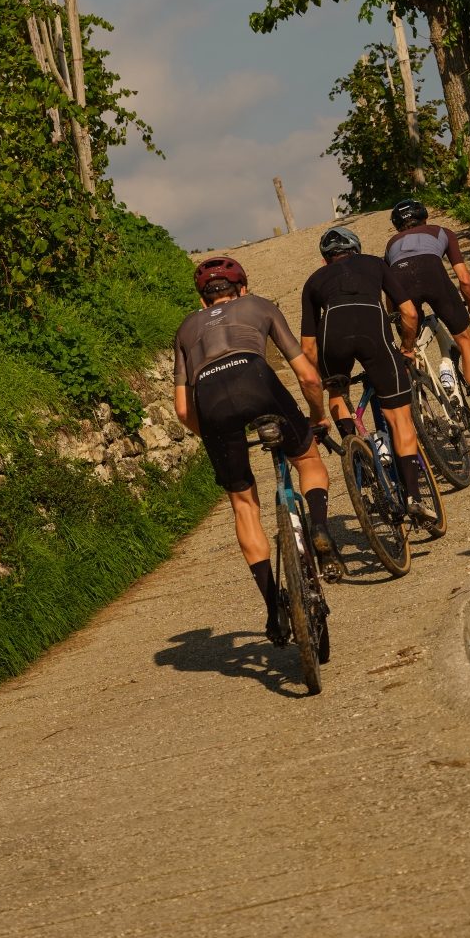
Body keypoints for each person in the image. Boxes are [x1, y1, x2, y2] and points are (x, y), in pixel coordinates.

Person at [174, 253, 336, 646]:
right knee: (307, 459)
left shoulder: (186, 328)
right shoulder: (259, 305)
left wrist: (215, 436)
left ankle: (273, 609)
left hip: (209, 397)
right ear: (242, 288)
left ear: (201, 300)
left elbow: (182, 410)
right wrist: (317, 416)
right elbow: (307, 375)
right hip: (255, 377)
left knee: (244, 505)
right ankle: (319, 528)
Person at [299, 225, 438, 525]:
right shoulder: (375, 263)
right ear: (357, 250)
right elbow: (410, 313)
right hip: (372, 326)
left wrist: (322, 376)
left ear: (325, 260)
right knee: (399, 418)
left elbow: (307, 347)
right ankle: (414, 497)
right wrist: (407, 347)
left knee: (337, 390)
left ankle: (356, 448)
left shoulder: (314, 280)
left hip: (331, 332)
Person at [381, 198, 470, 423]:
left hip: (401, 283)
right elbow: (465, 279)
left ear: (397, 226)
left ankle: (422, 410)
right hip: (433, 276)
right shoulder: (443, 232)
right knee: (465, 340)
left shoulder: (391, 244)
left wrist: (400, 325)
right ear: (425, 218)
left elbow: (390, 296)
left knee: (410, 349)